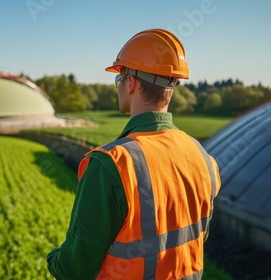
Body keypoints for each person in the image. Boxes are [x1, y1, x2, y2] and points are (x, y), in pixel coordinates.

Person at [46, 28, 221, 279]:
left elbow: (75, 269)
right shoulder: (203, 158)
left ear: (131, 83)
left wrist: (53, 258)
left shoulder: (110, 164)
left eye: (119, 78)